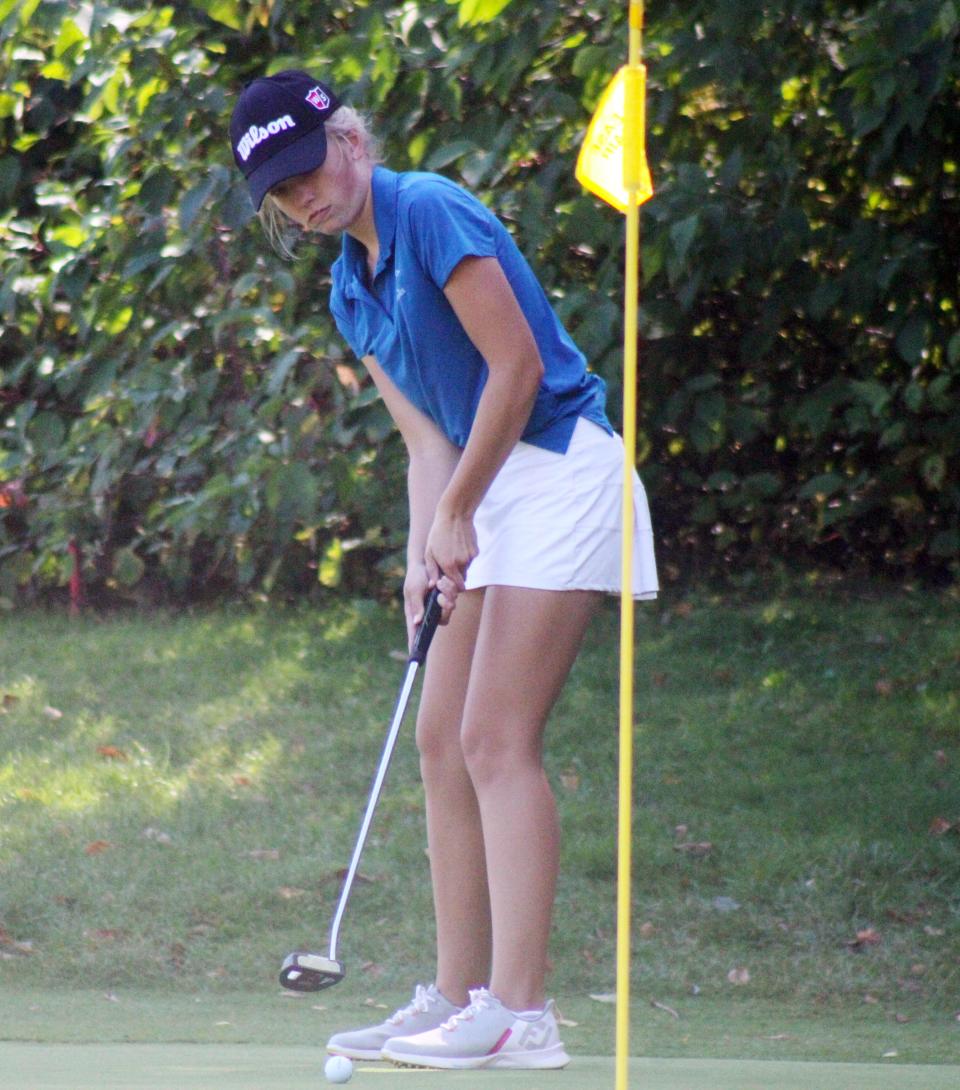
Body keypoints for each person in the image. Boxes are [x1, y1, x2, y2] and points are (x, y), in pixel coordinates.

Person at [230, 69, 658, 1071]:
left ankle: (523, 1013)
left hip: (554, 468)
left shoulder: (428, 211)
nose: (308, 199)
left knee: (496, 735)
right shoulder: (348, 287)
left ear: (349, 140)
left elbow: (514, 371)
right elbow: (426, 444)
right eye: (284, 194)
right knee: (437, 737)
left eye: (310, 169)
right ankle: (455, 995)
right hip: (481, 482)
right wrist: (424, 552)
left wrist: (463, 508)